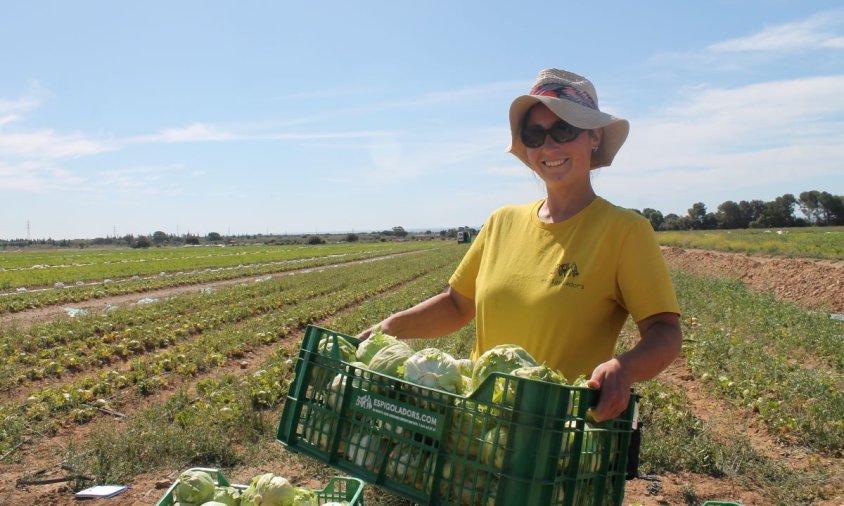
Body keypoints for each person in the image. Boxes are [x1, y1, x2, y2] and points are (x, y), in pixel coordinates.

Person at [359, 68, 682, 423]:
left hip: (556, 436)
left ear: (594, 137)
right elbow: (456, 306)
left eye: (564, 129)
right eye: (535, 134)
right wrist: (386, 329)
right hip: (477, 428)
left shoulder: (624, 231)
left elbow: (665, 332)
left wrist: (625, 367)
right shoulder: (501, 222)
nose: (549, 146)